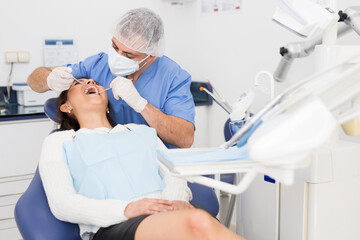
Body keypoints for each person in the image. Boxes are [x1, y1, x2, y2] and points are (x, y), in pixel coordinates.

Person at [39, 78, 245, 240]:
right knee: (198, 223)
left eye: (94, 82)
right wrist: (125, 209)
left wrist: (174, 203)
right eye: (79, 83)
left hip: (171, 212)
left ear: (109, 105)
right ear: (66, 107)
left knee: (201, 225)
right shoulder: (61, 141)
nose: (91, 83)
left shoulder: (141, 131)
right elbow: (62, 203)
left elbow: (173, 171)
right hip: (116, 225)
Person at [27, 8, 195, 149]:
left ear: (150, 57)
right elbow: (33, 80)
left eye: (128, 54)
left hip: (158, 162)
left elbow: (185, 139)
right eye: (115, 47)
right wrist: (49, 79)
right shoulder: (97, 65)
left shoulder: (173, 77)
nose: (117, 57)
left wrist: (142, 105)